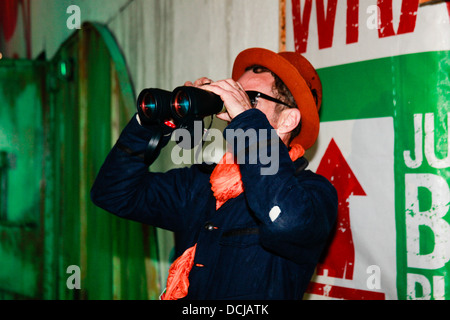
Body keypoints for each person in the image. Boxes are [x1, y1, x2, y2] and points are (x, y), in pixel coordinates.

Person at [91, 47, 338, 300]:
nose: (233, 110)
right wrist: (154, 124)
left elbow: (285, 221)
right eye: (234, 95)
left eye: (249, 99)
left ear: (287, 120)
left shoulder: (313, 193)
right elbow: (113, 193)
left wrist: (247, 119)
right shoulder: (202, 185)